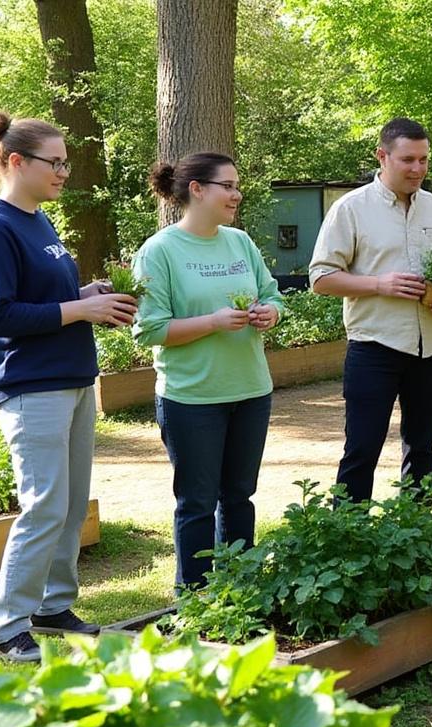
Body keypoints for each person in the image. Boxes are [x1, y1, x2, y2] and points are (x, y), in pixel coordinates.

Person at [0, 111, 138, 662]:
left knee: (66, 506)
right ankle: (8, 627)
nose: (65, 171)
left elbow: (46, 297)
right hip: (30, 386)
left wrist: (92, 293)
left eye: (66, 162)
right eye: (55, 162)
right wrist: (79, 307)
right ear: (17, 162)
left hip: (71, 377)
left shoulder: (38, 219)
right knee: (42, 506)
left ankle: (52, 606)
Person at [133, 152, 284, 589]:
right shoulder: (160, 251)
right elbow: (150, 329)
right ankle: (195, 598)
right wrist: (214, 323)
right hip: (191, 398)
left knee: (240, 497)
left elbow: (274, 295)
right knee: (197, 503)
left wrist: (269, 314)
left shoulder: (240, 243)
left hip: (251, 390)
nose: (236, 194)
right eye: (228, 186)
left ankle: (240, 589)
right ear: (196, 190)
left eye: (238, 185)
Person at [309, 118, 432, 503]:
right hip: (374, 347)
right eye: (407, 160)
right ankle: (349, 536)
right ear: (382, 156)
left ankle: (417, 534)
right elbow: (321, 277)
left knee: (422, 450)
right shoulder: (351, 209)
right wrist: (380, 285)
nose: (417, 169)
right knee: (362, 450)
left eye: (424, 160)